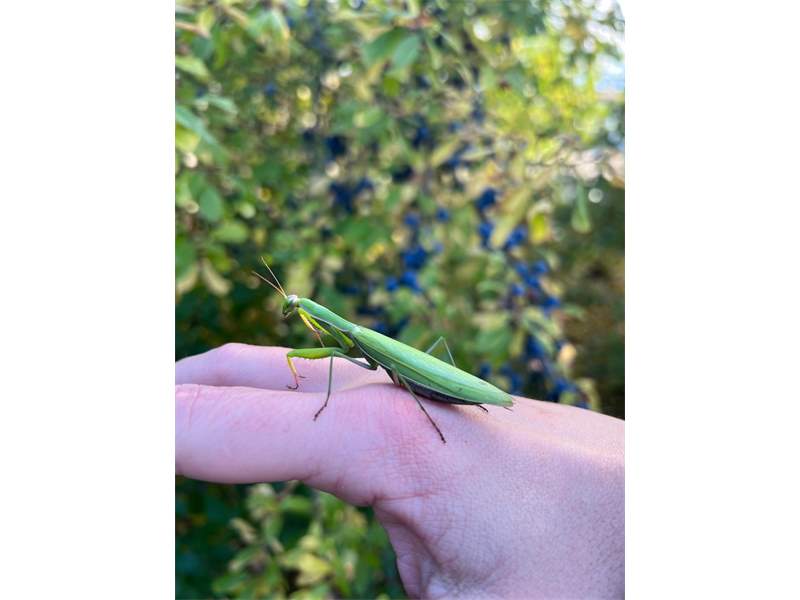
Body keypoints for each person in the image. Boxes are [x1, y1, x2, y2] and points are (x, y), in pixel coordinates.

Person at [176, 343, 624, 598]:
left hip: (434, 384)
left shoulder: (356, 340)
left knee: (415, 368)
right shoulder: (347, 340)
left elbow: (384, 371)